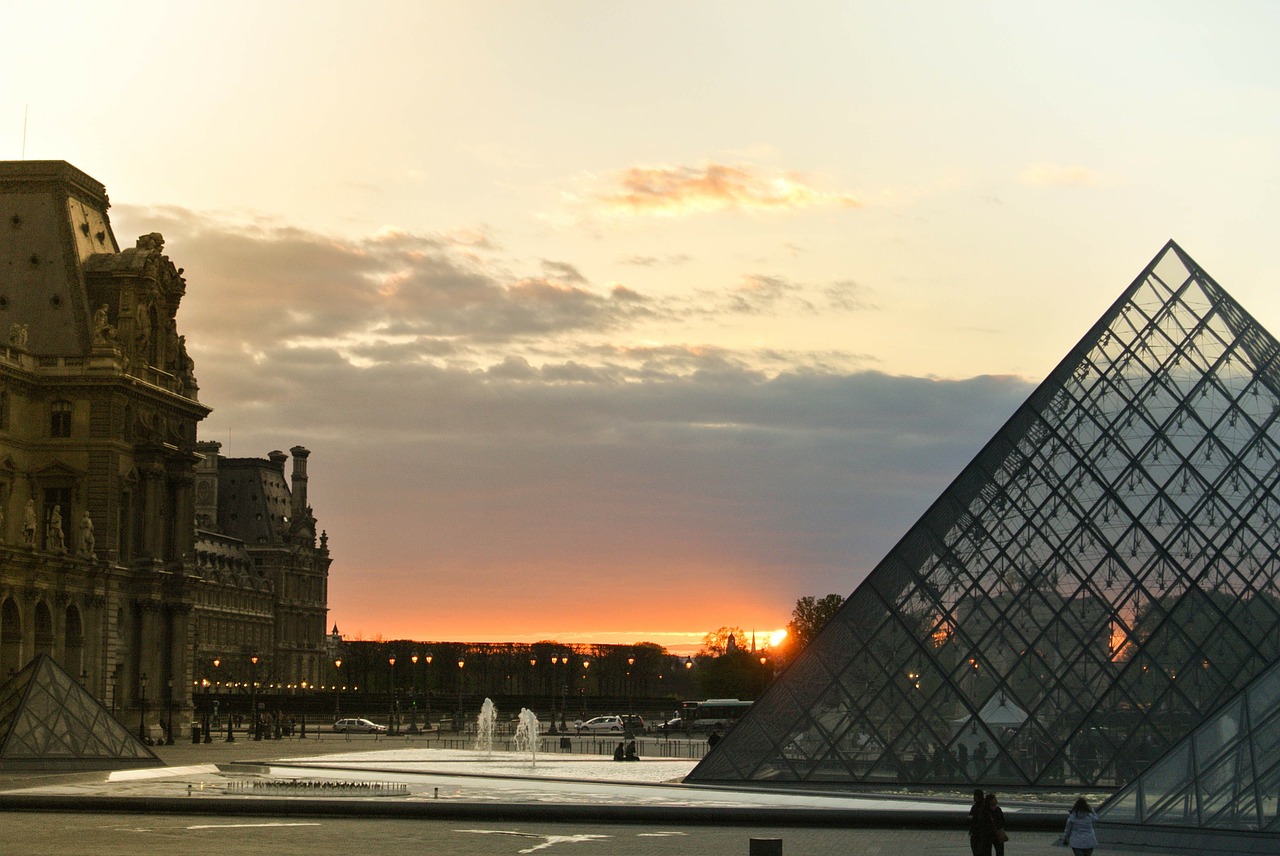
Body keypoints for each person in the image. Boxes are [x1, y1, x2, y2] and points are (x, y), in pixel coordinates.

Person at [968, 788, 991, 856]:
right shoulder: (987, 806)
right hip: (985, 833)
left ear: (977, 797)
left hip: (978, 833)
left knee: (977, 850)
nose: (973, 798)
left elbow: (972, 818)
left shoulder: (976, 807)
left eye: (974, 796)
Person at [987, 792, 1007, 856]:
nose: (996, 801)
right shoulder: (997, 809)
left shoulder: (986, 810)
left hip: (990, 833)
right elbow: (1002, 820)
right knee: (999, 851)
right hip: (996, 833)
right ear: (990, 801)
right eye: (995, 799)